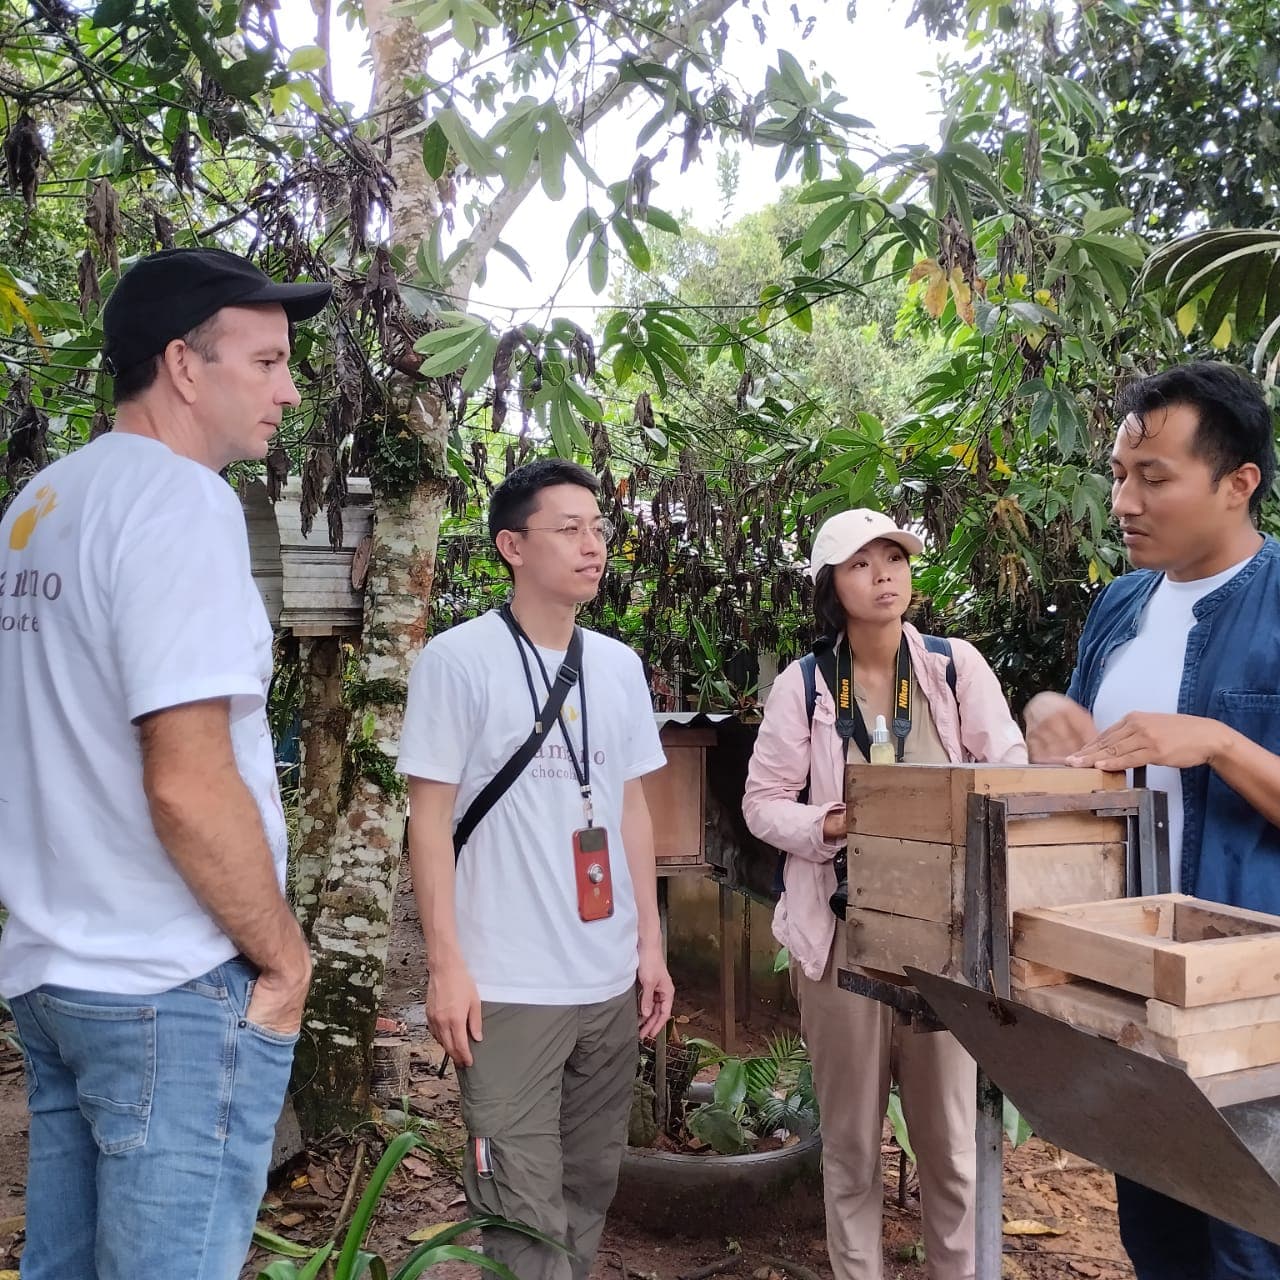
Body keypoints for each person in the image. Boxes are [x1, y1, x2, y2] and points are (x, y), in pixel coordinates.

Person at [0, 247, 329, 1280]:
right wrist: (283, 960)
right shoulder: (180, 503)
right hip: (166, 984)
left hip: (55, 973)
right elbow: (185, 779)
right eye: (267, 361)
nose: (287, 389)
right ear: (185, 365)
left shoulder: (38, 507)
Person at [1024, 361, 1280, 1279]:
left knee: (1252, 1244)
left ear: (1237, 483)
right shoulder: (1120, 604)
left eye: (1155, 477)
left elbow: (1198, 748)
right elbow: (1093, 759)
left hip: (1254, 1002)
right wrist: (1049, 714)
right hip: (1128, 979)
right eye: (1121, 475)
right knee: (1160, 1228)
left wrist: (1218, 742)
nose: (1124, 500)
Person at [397, 458, 674, 1280]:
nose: (594, 546)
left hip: (605, 979)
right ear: (512, 546)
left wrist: (649, 946)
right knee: (519, 1204)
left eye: (598, 528)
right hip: (508, 987)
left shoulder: (619, 667)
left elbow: (630, 810)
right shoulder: (458, 661)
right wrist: (445, 966)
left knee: (589, 1184)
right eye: (570, 529)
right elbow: (429, 820)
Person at [744, 508, 1026, 1280]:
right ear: (830, 585)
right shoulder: (803, 685)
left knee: (951, 1149)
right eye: (861, 564)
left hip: (941, 938)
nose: (884, 576)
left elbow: (1008, 767)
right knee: (852, 1148)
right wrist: (827, 823)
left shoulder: (954, 666)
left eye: (894, 560)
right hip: (840, 940)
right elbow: (761, 803)